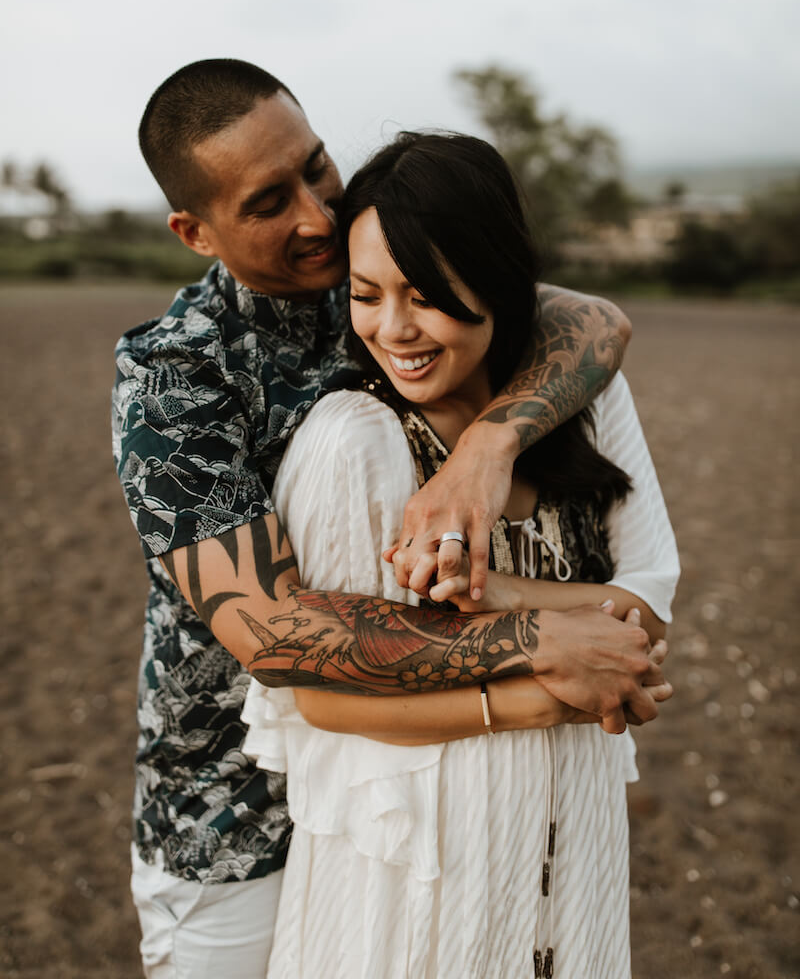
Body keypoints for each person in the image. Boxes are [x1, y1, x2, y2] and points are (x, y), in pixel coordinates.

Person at [112, 60, 667, 978]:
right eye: (266, 202)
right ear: (193, 232)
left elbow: (592, 322)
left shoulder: (365, 280)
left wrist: (486, 453)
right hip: (232, 822)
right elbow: (277, 636)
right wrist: (536, 641)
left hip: (401, 788)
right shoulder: (174, 377)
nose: (316, 213)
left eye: (315, 166)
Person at [242, 131, 679, 978]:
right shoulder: (354, 439)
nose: (393, 329)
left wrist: (485, 592)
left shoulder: (582, 396)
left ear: (499, 283)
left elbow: (647, 609)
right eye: (365, 295)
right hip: (418, 863)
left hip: (577, 834)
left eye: (427, 295)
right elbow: (323, 700)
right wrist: (549, 689)